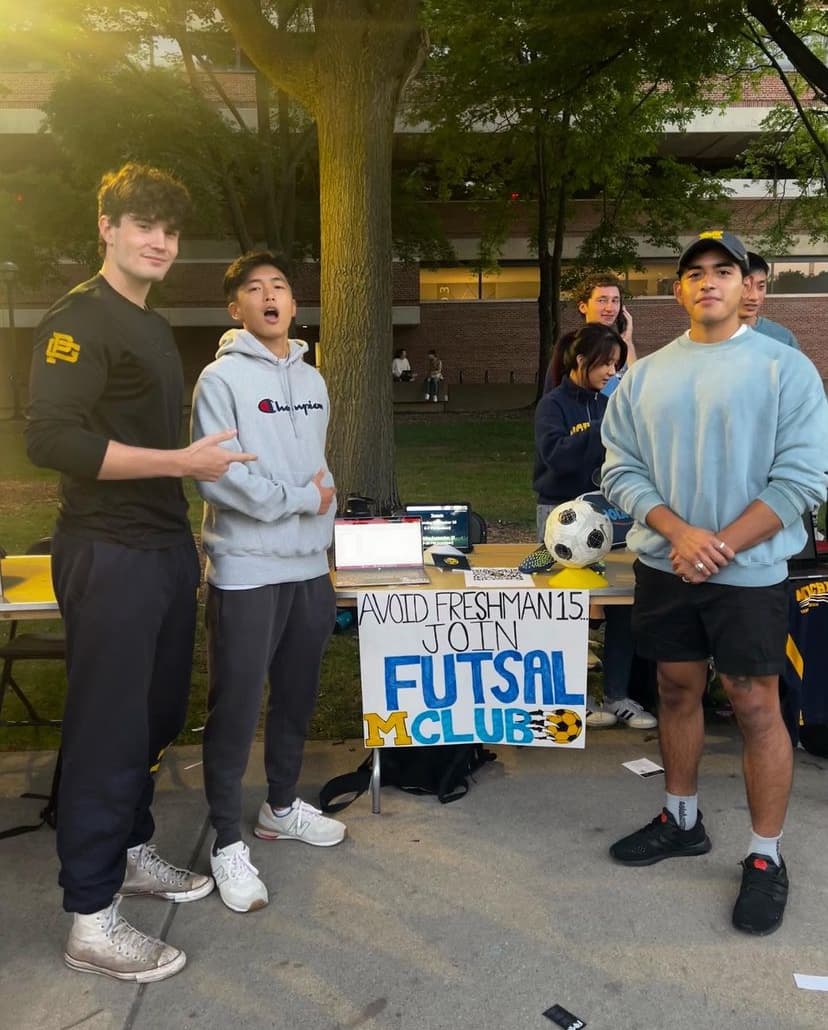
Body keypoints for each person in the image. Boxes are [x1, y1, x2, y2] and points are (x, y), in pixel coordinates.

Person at [25, 163, 256, 982]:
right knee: (108, 731)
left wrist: (181, 527)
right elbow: (49, 439)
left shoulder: (151, 325)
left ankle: (126, 848)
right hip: (108, 550)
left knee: (157, 716)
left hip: (159, 549)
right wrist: (179, 462)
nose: (158, 239)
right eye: (141, 223)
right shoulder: (79, 320)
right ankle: (91, 919)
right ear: (107, 227)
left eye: (169, 228)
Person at [601, 228, 828, 935]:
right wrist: (682, 535)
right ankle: (682, 817)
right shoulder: (644, 376)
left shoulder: (785, 370)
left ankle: (764, 856)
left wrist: (722, 543)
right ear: (678, 290)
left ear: (745, 284)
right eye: (694, 272)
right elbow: (619, 471)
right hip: (669, 565)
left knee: (755, 703)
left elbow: (800, 480)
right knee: (675, 688)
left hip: (751, 571)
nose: (708, 282)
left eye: (722, 271)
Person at [190, 251, 345, 914]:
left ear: (292, 302)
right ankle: (227, 841)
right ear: (236, 309)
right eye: (254, 289)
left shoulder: (313, 377)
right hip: (247, 566)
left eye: (279, 286)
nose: (269, 296)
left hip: (309, 565)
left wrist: (322, 502)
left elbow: (319, 467)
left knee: (297, 696)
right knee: (235, 706)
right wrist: (300, 499)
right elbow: (218, 474)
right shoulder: (219, 379)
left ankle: (280, 806)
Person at [533, 325, 655, 730]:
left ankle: (618, 694)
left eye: (617, 365)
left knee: (624, 601)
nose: (612, 372)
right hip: (562, 517)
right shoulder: (553, 405)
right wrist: (601, 423)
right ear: (581, 361)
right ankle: (572, 696)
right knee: (566, 608)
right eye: (606, 364)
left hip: (611, 516)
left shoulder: (615, 403)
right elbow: (557, 457)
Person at [544, 274, 636, 396]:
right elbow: (553, 393)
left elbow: (636, 388)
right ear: (583, 307)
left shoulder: (620, 346)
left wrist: (628, 342)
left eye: (615, 301)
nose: (610, 308)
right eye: (602, 300)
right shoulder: (571, 345)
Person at [739, 251, 801, 349]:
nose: (754, 297)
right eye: (745, 286)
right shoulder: (709, 336)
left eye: (761, 286)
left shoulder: (783, 339)